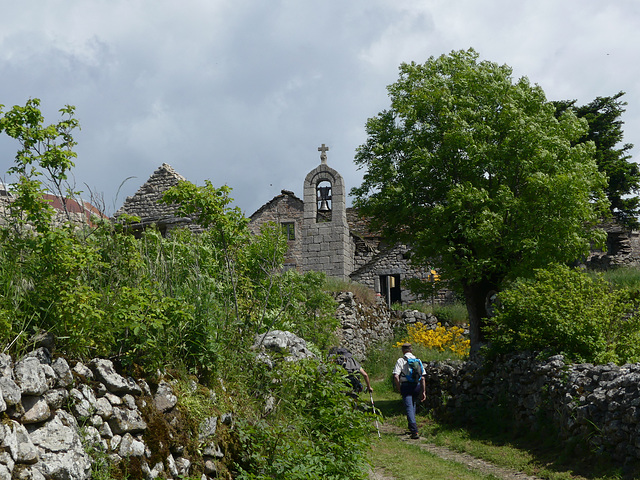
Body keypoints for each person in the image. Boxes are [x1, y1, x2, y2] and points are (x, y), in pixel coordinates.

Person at [392, 343, 426, 439]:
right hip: (416, 386)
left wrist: (399, 387)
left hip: (406, 386)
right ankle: (412, 427)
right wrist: (424, 391)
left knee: (408, 407)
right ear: (411, 350)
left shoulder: (401, 360)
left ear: (403, 351)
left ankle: (414, 431)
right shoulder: (418, 360)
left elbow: (396, 375)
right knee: (413, 405)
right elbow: (422, 377)